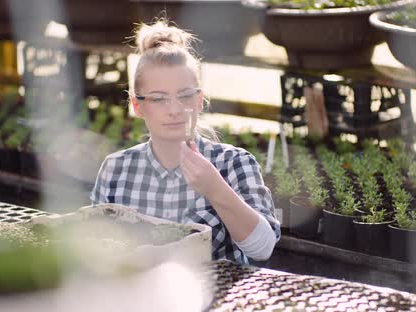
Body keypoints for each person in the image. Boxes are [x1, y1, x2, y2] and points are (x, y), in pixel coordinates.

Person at [90, 20, 280, 265]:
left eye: (185, 96)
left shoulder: (233, 163)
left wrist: (215, 188)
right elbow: (95, 245)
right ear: (137, 106)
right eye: (159, 99)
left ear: (199, 101)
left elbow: (263, 248)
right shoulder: (115, 169)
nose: (174, 110)